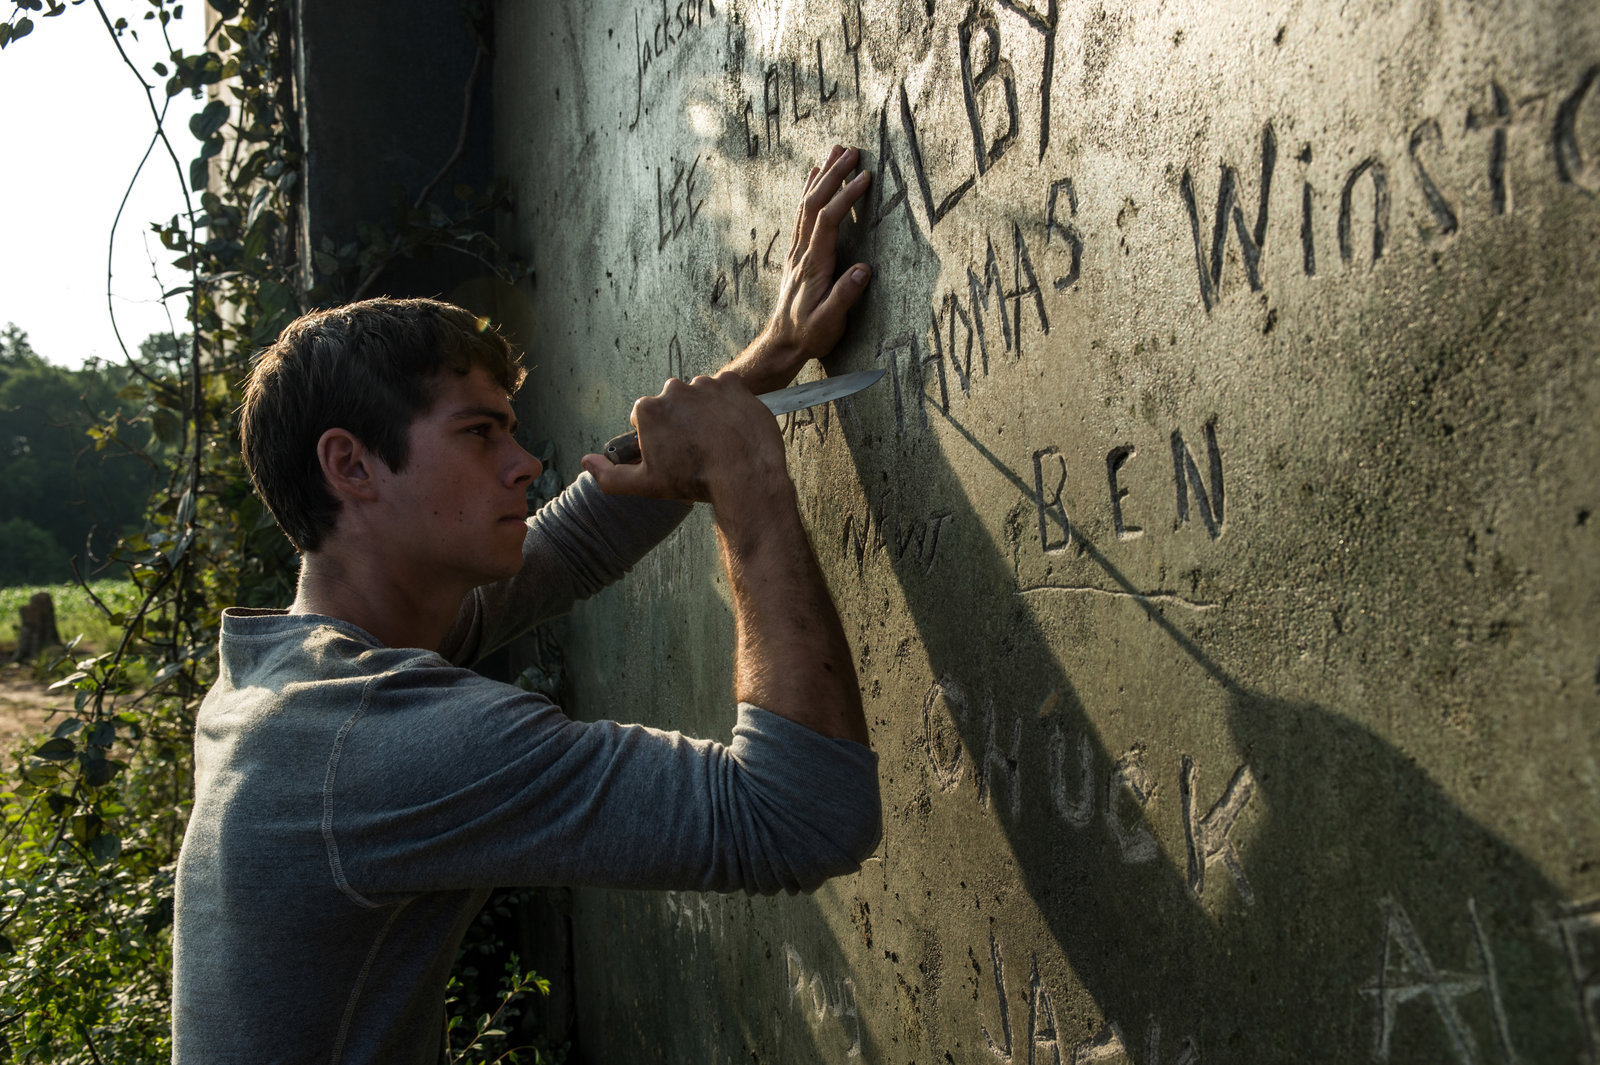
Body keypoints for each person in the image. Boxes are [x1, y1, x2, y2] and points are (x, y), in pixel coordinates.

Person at [171, 146, 880, 1064]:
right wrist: (743, 475)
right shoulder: (377, 743)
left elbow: (568, 546)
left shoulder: (291, 677)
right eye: (478, 433)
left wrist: (765, 364)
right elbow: (801, 817)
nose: (525, 464)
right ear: (351, 465)